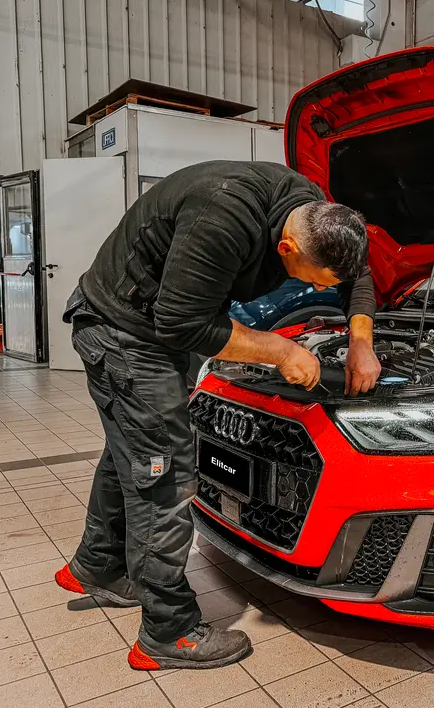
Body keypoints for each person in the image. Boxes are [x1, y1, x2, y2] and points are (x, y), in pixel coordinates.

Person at [53, 161, 381, 670]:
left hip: (158, 328)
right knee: (165, 472)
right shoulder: (222, 216)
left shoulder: (315, 212)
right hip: (125, 331)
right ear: (287, 249)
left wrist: (362, 341)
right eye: (312, 282)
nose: (318, 293)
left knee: (138, 450)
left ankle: (98, 565)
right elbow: (181, 321)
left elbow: (355, 276)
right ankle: (168, 631)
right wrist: (279, 351)